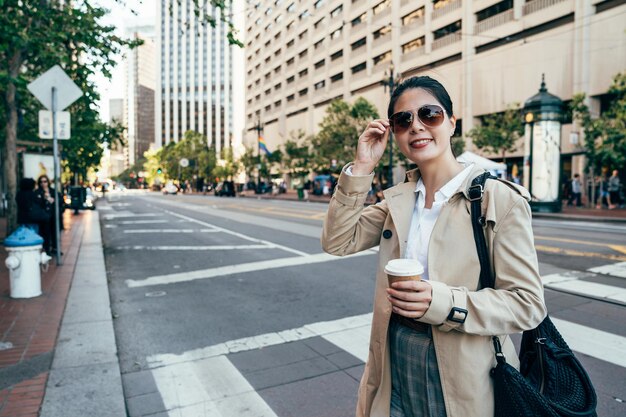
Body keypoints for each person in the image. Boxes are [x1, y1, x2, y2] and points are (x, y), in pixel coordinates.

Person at [321, 76, 547, 417]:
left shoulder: (496, 199)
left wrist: (441, 302)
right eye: (403, 120)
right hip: (394, 355)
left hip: (466, 367)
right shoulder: (398, 202)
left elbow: (527, 304)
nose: (417, 127)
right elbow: (337, 241)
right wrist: (363, 165)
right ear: (394, 133)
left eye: (430, 114)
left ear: (452, 123)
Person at [35, 175, 61, 255]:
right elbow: (37, 204)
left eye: (45, 181)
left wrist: (51, 199)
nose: (43, 184)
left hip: (53, 215)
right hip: (44, 217)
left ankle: (55, 248)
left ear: (48, 182)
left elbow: (59, 201)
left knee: (55, 232)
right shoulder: (38, 192)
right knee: (46, 233)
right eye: (41, 182)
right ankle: (47, 250)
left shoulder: (53, 191)